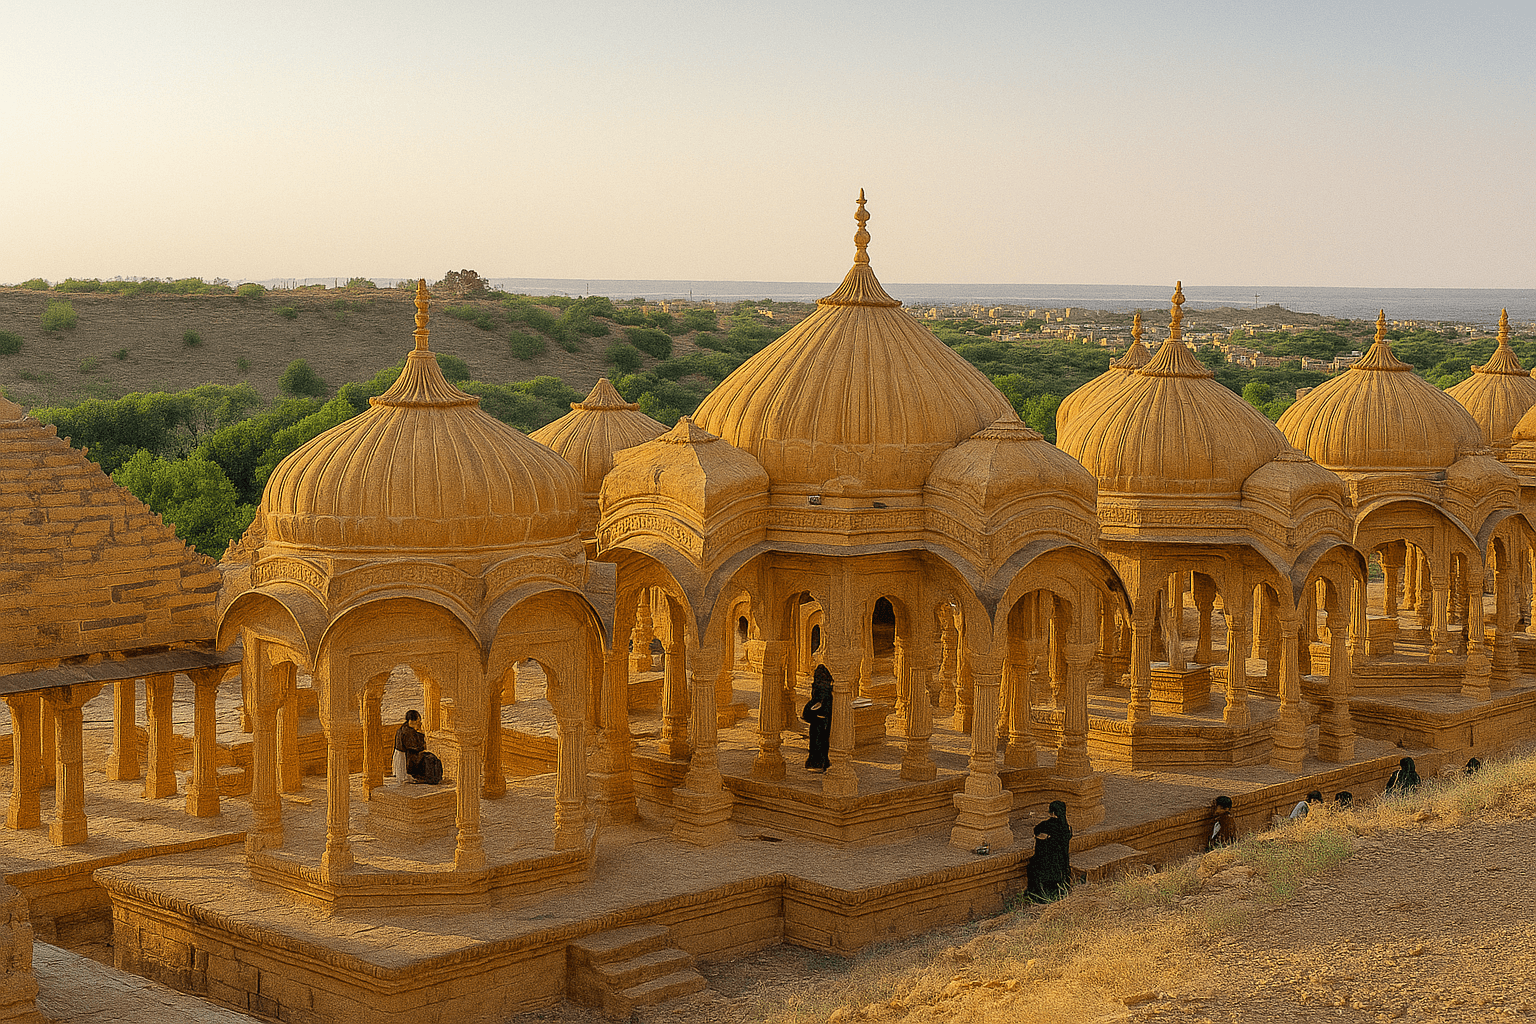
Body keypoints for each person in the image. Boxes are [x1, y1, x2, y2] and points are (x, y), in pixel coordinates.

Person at [1025, 800, 1073, 902]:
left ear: (1052, 812)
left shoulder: (1046, 825)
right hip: (1062, 863)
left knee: (1032, 867)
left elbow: (1037, 833)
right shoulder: (1067, 827)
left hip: (1047, 864)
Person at [802, 666, 833, 772]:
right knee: (822, 741)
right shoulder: (826, 686)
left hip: (819, 718)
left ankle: (817, 763)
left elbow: (817, 701)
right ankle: (820, 762)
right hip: (823, 717)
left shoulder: (819, 685)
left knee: (817, 741)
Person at [393, 710, 427, 785]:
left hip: (401, 754)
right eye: (418, 720)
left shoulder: (404, 727)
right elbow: (417, 746)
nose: (419, 722)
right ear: (412, 720)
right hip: (402, 756)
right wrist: (420, 733)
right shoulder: (408, 731)